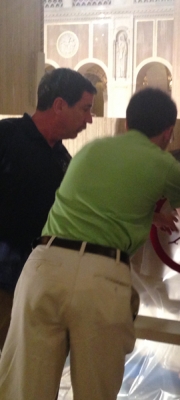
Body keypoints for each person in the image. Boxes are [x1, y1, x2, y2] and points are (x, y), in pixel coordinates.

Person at [0, 87, 180, 400]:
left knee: (23, 388)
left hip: (42, 266)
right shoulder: (167, 167)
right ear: (169, 132)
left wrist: (149, 214)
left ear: (127, 123)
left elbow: (97, 199)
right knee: (95, 389)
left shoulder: (90, 150)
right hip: (99, 278)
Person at [0, 67, 96, 352]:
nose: (90, 119)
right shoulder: (7, 135)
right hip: (3, 277)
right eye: (85, 109)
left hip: (36, 282)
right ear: (59, 105)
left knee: (21, 366)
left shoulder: (62, 157)